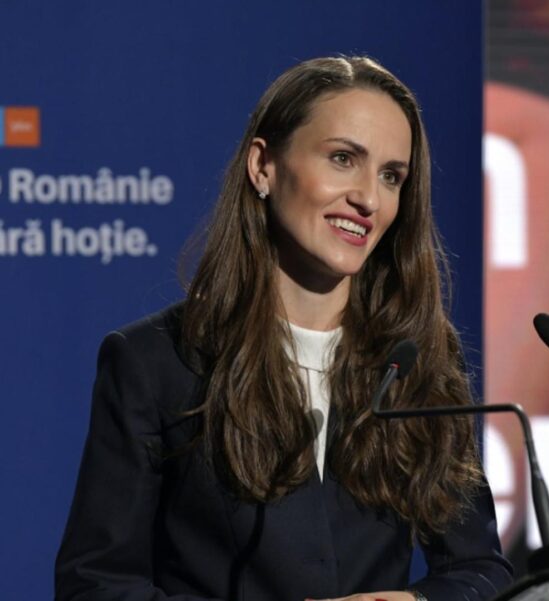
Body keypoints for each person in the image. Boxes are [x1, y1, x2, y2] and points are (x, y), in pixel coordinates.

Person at [55, 56, 512, 601]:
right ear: (263, 167)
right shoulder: (156, 361)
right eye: (343, 159)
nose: (369, 198)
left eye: (391, 176)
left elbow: (481, 570)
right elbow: (97, 586)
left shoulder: (416, 358)